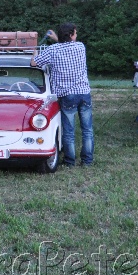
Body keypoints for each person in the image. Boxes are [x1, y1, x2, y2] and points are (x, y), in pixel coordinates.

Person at [30, 23, 94, 167]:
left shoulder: (52, 50)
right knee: (87, 129)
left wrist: (34, 51)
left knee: (69, 131)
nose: (76, 35)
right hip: (84, 93)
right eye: (75, 33)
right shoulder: (80, 47)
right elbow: (66, 45)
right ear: (71, 35)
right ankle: (87, 161)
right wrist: (57, 39)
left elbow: (34, 63)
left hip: (66, 95)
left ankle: (70, 161)